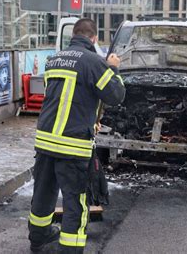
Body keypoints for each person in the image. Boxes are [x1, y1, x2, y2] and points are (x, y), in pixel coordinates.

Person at [28, 18, 125, 254]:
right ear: (94, 38)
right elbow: (116, 95)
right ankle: (70, 249)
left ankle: (38, 238)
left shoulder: (54, 60)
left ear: (73, 35)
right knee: (76, 203)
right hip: (72, 146)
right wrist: (112, 68)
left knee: (43, 193)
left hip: (45, 142)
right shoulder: (93, 62)